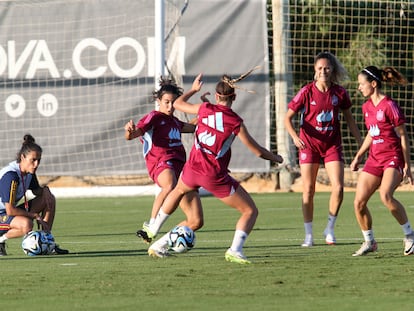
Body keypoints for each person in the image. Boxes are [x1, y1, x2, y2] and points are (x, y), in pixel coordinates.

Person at [136, 70, 284, 264]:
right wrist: (277, 157)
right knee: (250, 211)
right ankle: (235, 250)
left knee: (184, 199)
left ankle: (156, 235)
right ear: (234, 97)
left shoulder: (205, 109)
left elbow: (179, 103)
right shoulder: (235, 121)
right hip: (213, 175)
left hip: (191, 170)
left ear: (216, 96)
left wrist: (193, 90)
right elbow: (257, 151)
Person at [284, 52, 362, 247]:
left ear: (332, 69)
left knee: (338, 187)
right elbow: (287, 118)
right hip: (309, 145)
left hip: (331, 145)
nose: (323, 71)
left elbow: (350, 120)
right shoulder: (306, 92)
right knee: (308, 189)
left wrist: (361, 141)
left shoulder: (339, 93)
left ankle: (330, 228)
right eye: (319, 68)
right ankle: (308, 235)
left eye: (326, 68)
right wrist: (294, 137)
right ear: (314, 70)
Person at [350, 66, 414, 256]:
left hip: (392, 158)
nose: (359, 88)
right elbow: (372, 132)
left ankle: (410, 236)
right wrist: (359, 155)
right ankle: (369, 241)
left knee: (385, 195)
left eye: (362, 84)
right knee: (358, 203)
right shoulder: (366, 107)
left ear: (374, 84)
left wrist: (407, 166)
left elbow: (403, 136)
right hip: (374, 159)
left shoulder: (389, 105)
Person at [124, 77, 199, 238]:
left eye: (173, 102)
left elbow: (192, 127)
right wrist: (130, 132)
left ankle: (162, 244)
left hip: (180, 167)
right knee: (169, 184)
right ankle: (151, 224)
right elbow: (135, 134)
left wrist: (206, 111)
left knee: (195, 220)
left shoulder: (174, 122)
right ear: (159, 101)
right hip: (161, 163)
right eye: (166, 102)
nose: (170, 106)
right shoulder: (154, 117)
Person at [0, 134, 69, 256]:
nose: (36, 164)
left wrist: (45, 190)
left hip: (5, 213)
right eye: (33, 160)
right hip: (5, 213)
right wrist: (34, 215)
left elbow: (37, 190)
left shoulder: (28, 172)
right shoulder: (11, 176)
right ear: (23, 157)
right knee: (27, 224)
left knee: (49, 198)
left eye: (39, 160)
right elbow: (10, 210)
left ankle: (48, 242)